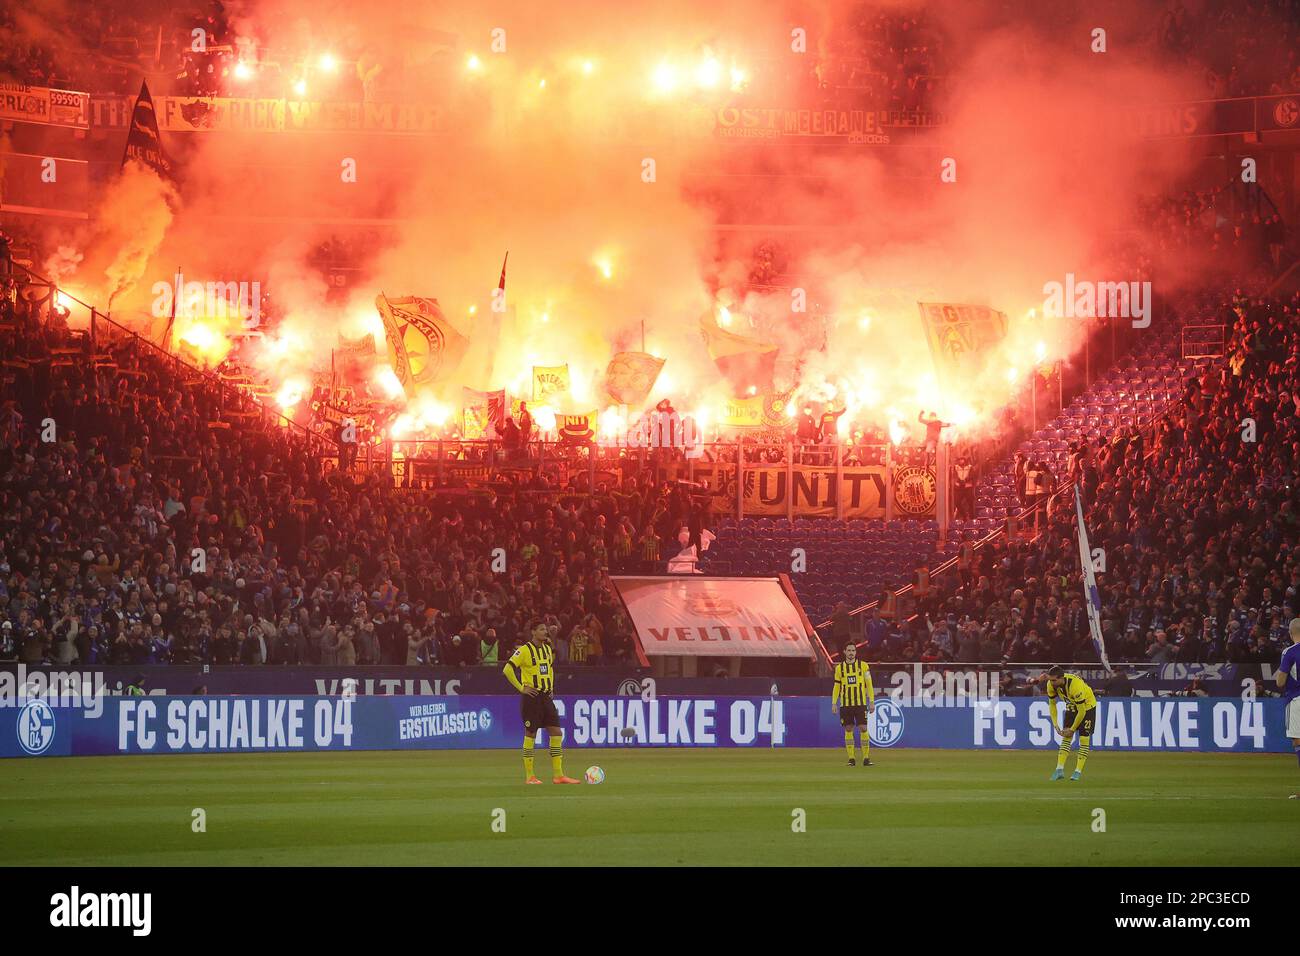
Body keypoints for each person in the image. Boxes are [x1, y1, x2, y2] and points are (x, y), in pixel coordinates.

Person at [503, 623, 580, 785]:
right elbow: (507, 670)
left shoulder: (546, 649)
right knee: (531, 734)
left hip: (545, 697)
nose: (545, 632)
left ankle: (559, 775)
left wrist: (551, 687)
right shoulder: (524, 650)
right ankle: (530, 776)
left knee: (557, 733)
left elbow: (548, 669)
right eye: (541, 629)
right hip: (532, 697)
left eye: (545, 629)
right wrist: (521, 688)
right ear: (533, 632)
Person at [1044, 665, 1096, 781]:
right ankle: (1059, 769)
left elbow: (1082, 711)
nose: (1051, 683)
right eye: (1050, 680)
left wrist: (1072, 729)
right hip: (1072, 706)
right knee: (1066, 737)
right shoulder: (1050, 685)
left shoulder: (1075, 685)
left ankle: (1077, 771)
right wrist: (1055, 724)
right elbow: (1052, 704)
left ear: (1061, 678)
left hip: (1087, 707)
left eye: (1054, 680)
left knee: (1084, 739)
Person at [831, 641, 875, 766]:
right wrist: (834, 703)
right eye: (849, 650)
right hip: (845, 704)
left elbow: (869, 685)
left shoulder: (864, 666)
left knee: (863, 728)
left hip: (860, 703)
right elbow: (836, 687)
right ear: (845, 652)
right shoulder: (840, 668)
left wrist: (871, 701)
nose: (851, 653)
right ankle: (851, 759)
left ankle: (866, 758)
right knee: (848, 728)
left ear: (856, 652)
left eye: (853, 651)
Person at [1275, 618, 1300, 799]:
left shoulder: (1290, 652)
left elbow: (1280, 681)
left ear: (1291, 634)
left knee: (1298, 743)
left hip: (1297, 700)